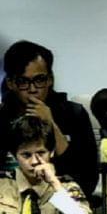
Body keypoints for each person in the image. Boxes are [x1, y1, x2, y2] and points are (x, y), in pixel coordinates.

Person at [0, 41, 98, 197]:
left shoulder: (73, 113)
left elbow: (86, 180)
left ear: (50, 79)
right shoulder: (3, 116)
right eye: (23, 82)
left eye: (39, 80)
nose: (32, 90)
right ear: (11, 83)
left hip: (63, 197)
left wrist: (51, 125)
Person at [0, 116, 92, 214]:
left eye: (40, 153)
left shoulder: (67, 186)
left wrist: (55, 184)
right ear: (14, 155)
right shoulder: (2, 183)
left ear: (51, 152)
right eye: (26, 155)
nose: (34, 161)